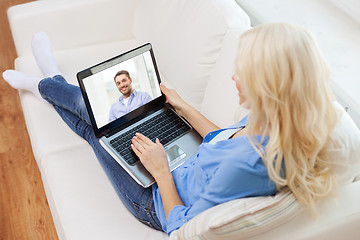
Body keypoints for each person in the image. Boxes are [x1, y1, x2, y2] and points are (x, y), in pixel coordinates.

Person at [2, 23, 348, 235]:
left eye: (242, 72)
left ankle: (44, 83)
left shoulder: (246, 167)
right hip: (183, 163)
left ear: (268, 87)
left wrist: (160, 170)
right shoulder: (276, 124)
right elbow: (222, 141)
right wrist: (183, 106)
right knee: (104, 120)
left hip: (154, 198)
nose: (233, 77)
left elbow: (180, 225)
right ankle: (50, 80)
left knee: (98, 130)